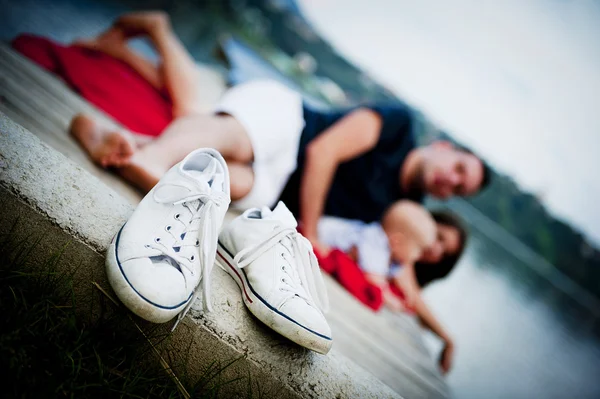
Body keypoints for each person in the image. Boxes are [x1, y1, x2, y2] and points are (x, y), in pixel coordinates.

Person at [68, 11, 491, 245]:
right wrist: (310, 230)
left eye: (458, 190)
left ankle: (129, 146)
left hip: (275, 187)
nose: (449, 182)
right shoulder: (399, 127)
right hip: (289, 124)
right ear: (444, 146)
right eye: (458, 169)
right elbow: (324, 152)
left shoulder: (405, 202)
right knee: (226, 136)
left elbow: (391, 244)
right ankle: (149, 158)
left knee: (221, 173)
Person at [319, 207, 466, 374]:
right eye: (438, 237)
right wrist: (390, 298)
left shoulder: (399, 255)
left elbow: (411, 296)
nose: (436, 250)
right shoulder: (384, 242)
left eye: (445, 253)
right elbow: (376, 280)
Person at [317, 200, 436, 311]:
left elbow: (399, 277)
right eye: (419, 250)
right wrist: (391, 300)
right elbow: (374, 278)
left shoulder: (394, 258)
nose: (419, 257)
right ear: (397, 242)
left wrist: (409, 294)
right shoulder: (376, 242)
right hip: (322, 234)